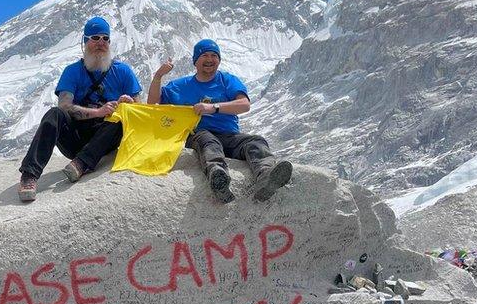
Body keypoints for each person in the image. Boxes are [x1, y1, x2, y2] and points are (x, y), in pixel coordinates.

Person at [148, 39, 292, 203]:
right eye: (205, 55)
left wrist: (213, 107)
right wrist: (159, 76)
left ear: (219, 59)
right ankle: (218, 176)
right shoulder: (180, 86)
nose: (209, 59)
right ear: (196, 61)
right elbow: (153, 104)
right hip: (199, 135)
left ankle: (266, 176)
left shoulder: (227, 80)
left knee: (255, 141)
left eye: (213, 55)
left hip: (229, 135)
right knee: (209, 141)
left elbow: (244, 105)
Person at [18, 16, 142, 201]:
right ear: (85, 42)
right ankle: (29, 175)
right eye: (95, 38)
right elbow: (65, 106)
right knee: (54, 114)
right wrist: (98, 112)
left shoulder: (123, 71)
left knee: (121, 118)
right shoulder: (72, 71)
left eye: (105, 38)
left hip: (105, 137)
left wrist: (129, 104)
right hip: (75, 137)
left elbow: (140, 109)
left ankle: (81, 164)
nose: (101, 43)